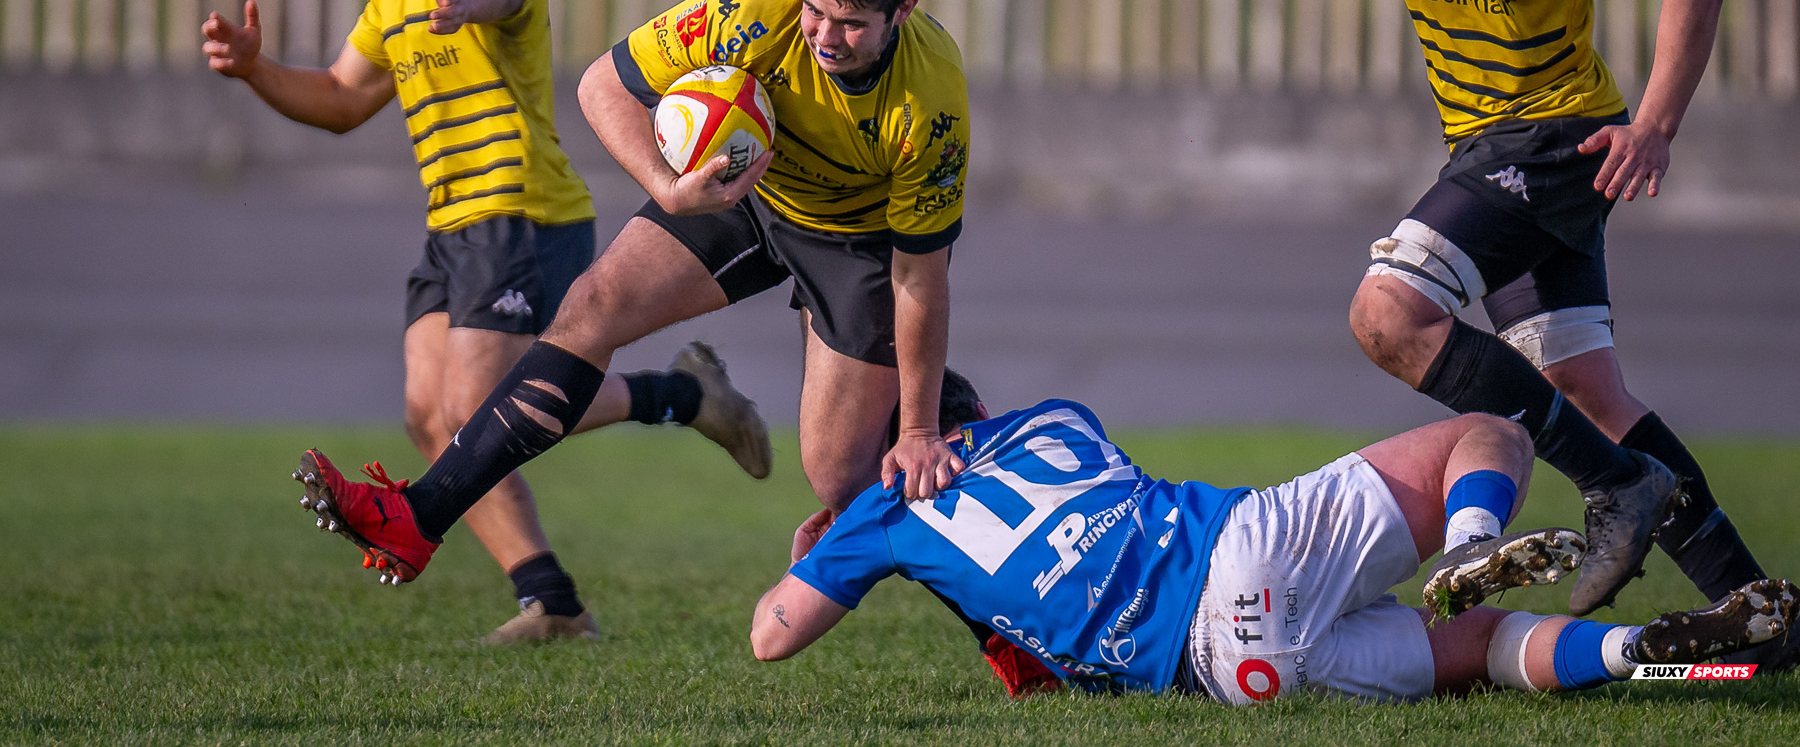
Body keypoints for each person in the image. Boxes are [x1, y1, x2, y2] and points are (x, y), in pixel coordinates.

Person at [1114, 0, 1775, 640]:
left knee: (1388, 314)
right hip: (1506, 150)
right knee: (1588, 390)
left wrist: (1657, 126)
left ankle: (1617, 488)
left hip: (1549, 139)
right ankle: (1758, 601)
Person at [204, 0, 746, 643]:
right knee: (429, 417)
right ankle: (556, 596)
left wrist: (474, 2)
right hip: (452, 225)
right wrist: (259, 72)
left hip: (523, 212)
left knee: (473, 413)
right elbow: (342, 99)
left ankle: (672, 411)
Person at [291, 0, 972, 591]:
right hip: (738, 189)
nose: (826, 36)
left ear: (903, 11)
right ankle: (418, 515)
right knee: (593, 305)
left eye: (852, 23)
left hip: (854, 239)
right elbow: (603, 85)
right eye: (817, 11)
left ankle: (958, 437)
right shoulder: (758, 2)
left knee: (841, 478)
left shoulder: (931, 101)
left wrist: (916, 429)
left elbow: (920, 274)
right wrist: (667, 189)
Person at [750, 372, 1796, 702]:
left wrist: (828, 543)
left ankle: (1640, 655)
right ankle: (1470, 539)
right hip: (1240, 549)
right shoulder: (1057, 418)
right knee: (1487, 432)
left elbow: (771, 636)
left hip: (1232, 669)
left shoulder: (879, 515)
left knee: (1473, 657)